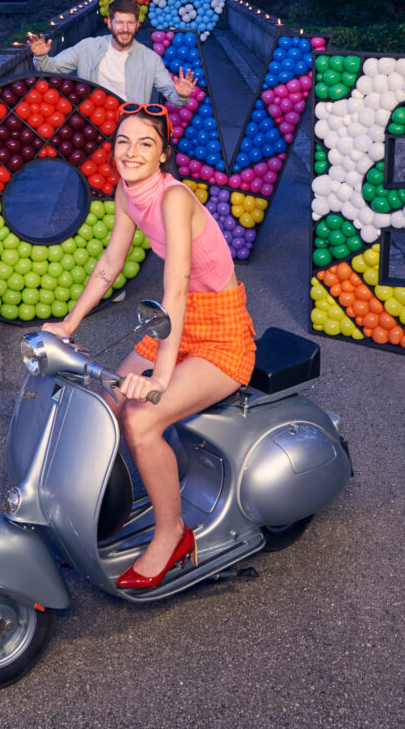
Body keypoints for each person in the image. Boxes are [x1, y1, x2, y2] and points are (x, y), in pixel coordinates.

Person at [42, 102, 256, 589]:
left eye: (145, 143)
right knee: (105, 402)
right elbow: (110, 264)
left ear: (163, 155)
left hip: (220, 329)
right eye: (123, 141)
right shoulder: (126, 191)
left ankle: (172, 534)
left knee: (141, 420)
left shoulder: (173, 198)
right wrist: (68, 323)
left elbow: (175, 288)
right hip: (177, 322)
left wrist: (159, 376)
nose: (131, 152)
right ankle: (91, 516)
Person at [27, 0, 197, 107]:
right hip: (92, 125)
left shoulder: (150, 59)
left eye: (130, 23)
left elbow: (171, 94)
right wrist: (41, 57)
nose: (125, 29)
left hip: (129, 127)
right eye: (120, 23)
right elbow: (52, 68)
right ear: (109, 24)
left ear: (137, 25)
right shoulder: (87, 47)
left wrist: (181, 95)